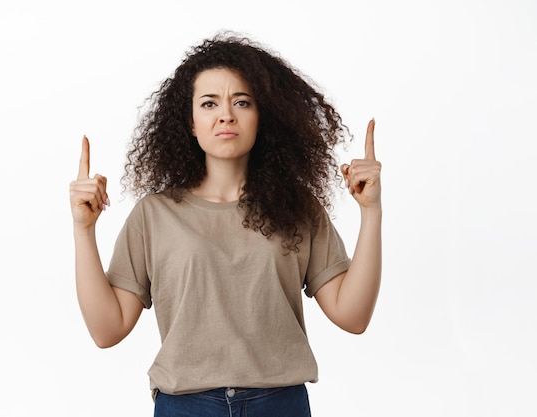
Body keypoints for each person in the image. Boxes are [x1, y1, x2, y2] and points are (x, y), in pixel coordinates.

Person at [69, 32, 382, 417]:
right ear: (191, 122)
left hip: (279, 403)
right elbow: (107, 330)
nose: (226, 115)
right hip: (185, 405)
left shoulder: (297, 208)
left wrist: (371, 212)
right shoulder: (154, 215)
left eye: (242, 102)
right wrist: (83, 230)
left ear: (262, 116)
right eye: (209, 103)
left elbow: (353, 316)